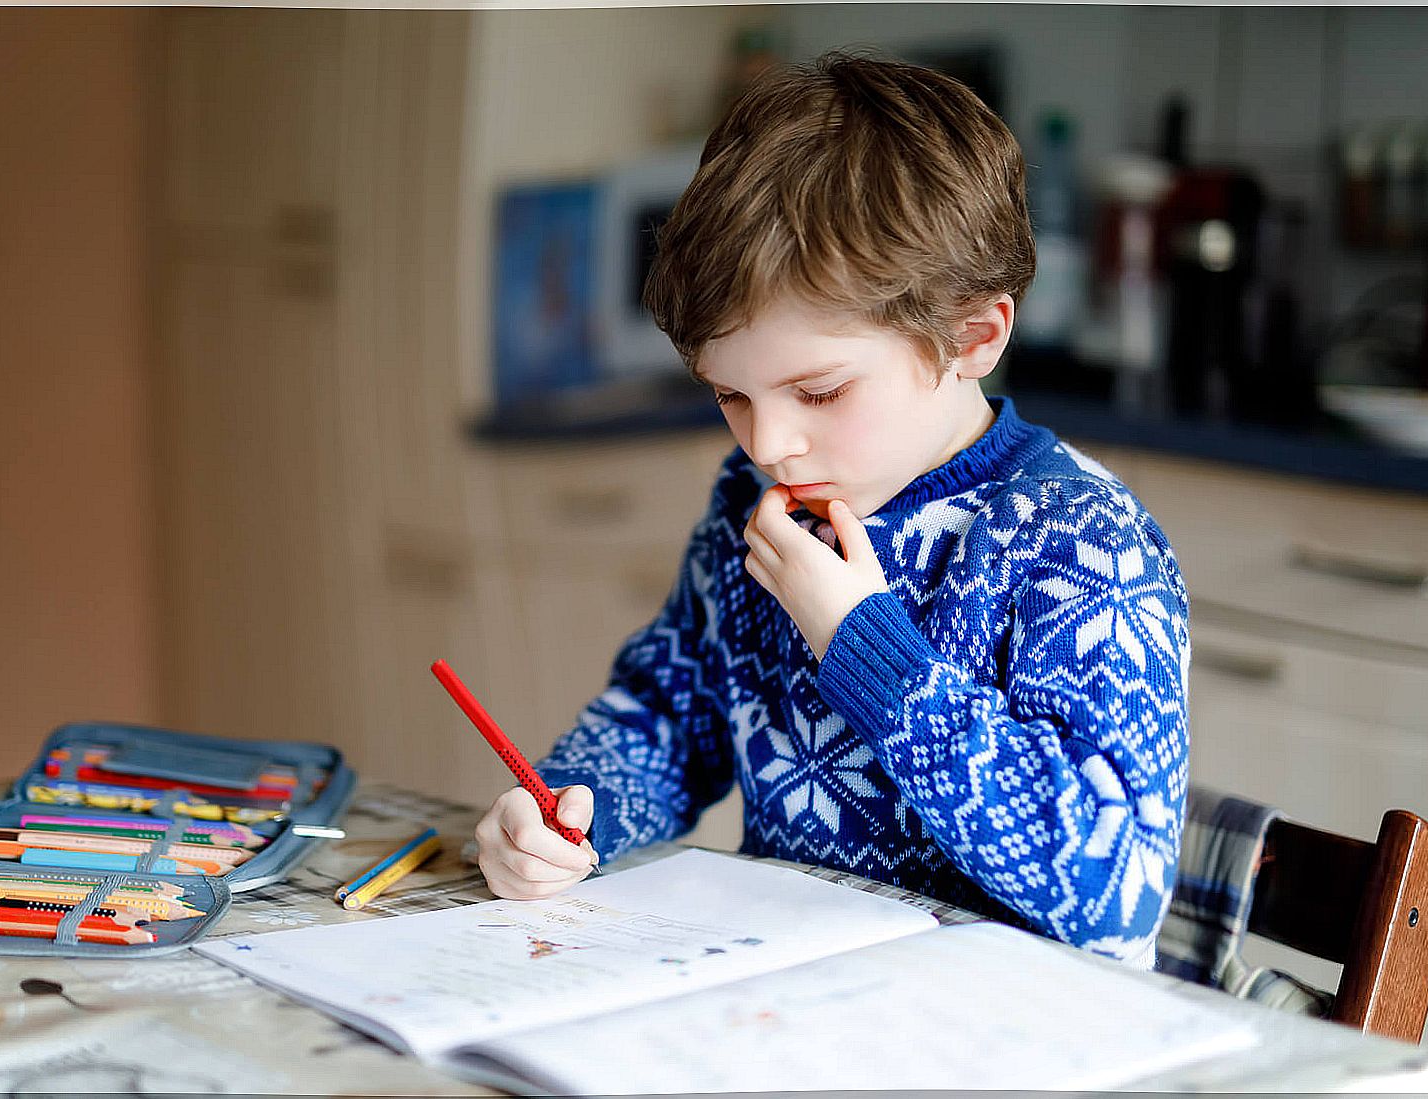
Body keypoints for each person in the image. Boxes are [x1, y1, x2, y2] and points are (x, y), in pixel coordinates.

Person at [473, 52, 1189, 967]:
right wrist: (567, 809)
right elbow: (666, 715)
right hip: (793, 1001)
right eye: (729, 395)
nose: (765, 444)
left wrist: (862, 644)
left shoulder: (1077, 540)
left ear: (974, 336)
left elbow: (1112, 891)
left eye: (816, 392)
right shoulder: (757, 499)